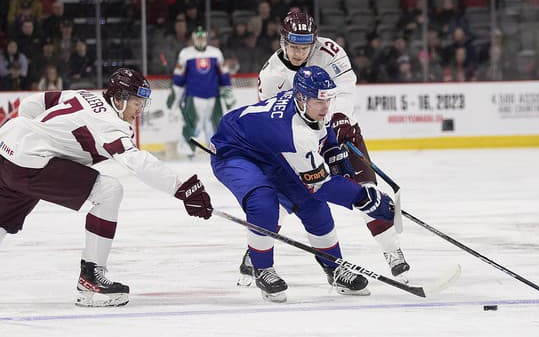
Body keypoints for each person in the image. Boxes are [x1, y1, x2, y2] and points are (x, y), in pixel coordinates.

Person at [0, 68, 213, 307]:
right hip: (31, 162)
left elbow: (33, 103)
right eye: (136, 103)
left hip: (7, 146)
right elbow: (137, 162)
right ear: (119, 99)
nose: (139, 110)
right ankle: (91, 275)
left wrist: (36, 135)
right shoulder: (110, 124)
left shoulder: (83, 95)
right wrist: (182, 189)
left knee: (2, 220)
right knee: (109, 191)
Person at [244, 10, 411, 282]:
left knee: (366, 191)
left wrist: (341, 117)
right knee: (287, 199)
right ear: (283, 42)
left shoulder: (330, 51)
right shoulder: (272, 75)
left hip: (341, 130)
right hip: (301, 141)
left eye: (305, 46)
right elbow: (273, 118)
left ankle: (392, 251)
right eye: (294, 47)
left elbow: (346, 85)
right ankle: (257, 249)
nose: (299, 53)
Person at [211, 66, 397, 302]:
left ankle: (334, 267)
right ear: (300, 97)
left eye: (328, 99)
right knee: (263, 201)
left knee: (312, 206)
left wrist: (332, 152)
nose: (326, 107)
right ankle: (262, 268)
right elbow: (322, 185)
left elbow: (324, 131)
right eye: (319, 101)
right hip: (234, 151)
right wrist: (366, 200)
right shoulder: (295, 134)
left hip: (271, 150)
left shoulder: (315, 105)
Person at [167, 26, 235, 156]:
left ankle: (215, 149)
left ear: (206, 38)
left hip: (213, 97)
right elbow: (179, 78)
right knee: (192, 123)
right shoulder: (185, 53)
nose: (200, 39)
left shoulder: (216, 53)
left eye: (202, 37)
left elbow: (223, 75)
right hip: (193, 97)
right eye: (198, 37)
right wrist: (175, 98)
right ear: (193, 38)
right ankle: (186, 149)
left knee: (213, 123)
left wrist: (228, 92)